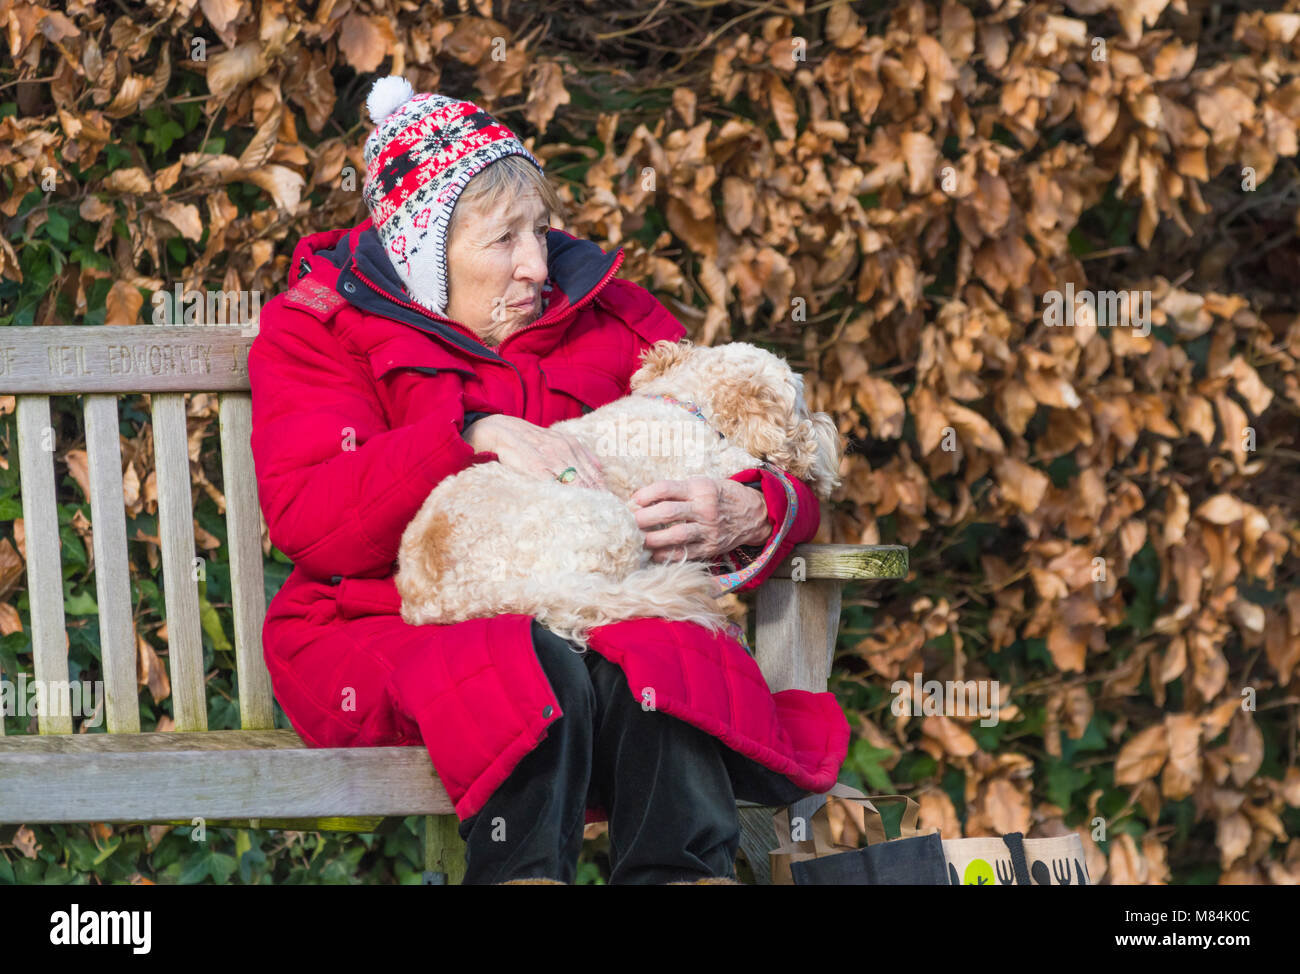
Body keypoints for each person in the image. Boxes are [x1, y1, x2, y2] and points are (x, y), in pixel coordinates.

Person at [248, 76, 850, 885]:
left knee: (661, 648)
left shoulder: (617, 318)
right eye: (503, 241)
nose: (536, 264)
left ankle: (683, 874)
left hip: (600, 598)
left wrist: (752, 507)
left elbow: (771, 456)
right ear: (426, 255)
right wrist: (464, 438)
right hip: (385, 619)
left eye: (539, 229)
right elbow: (308, 519)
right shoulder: (319, 327)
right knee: (527, 659)